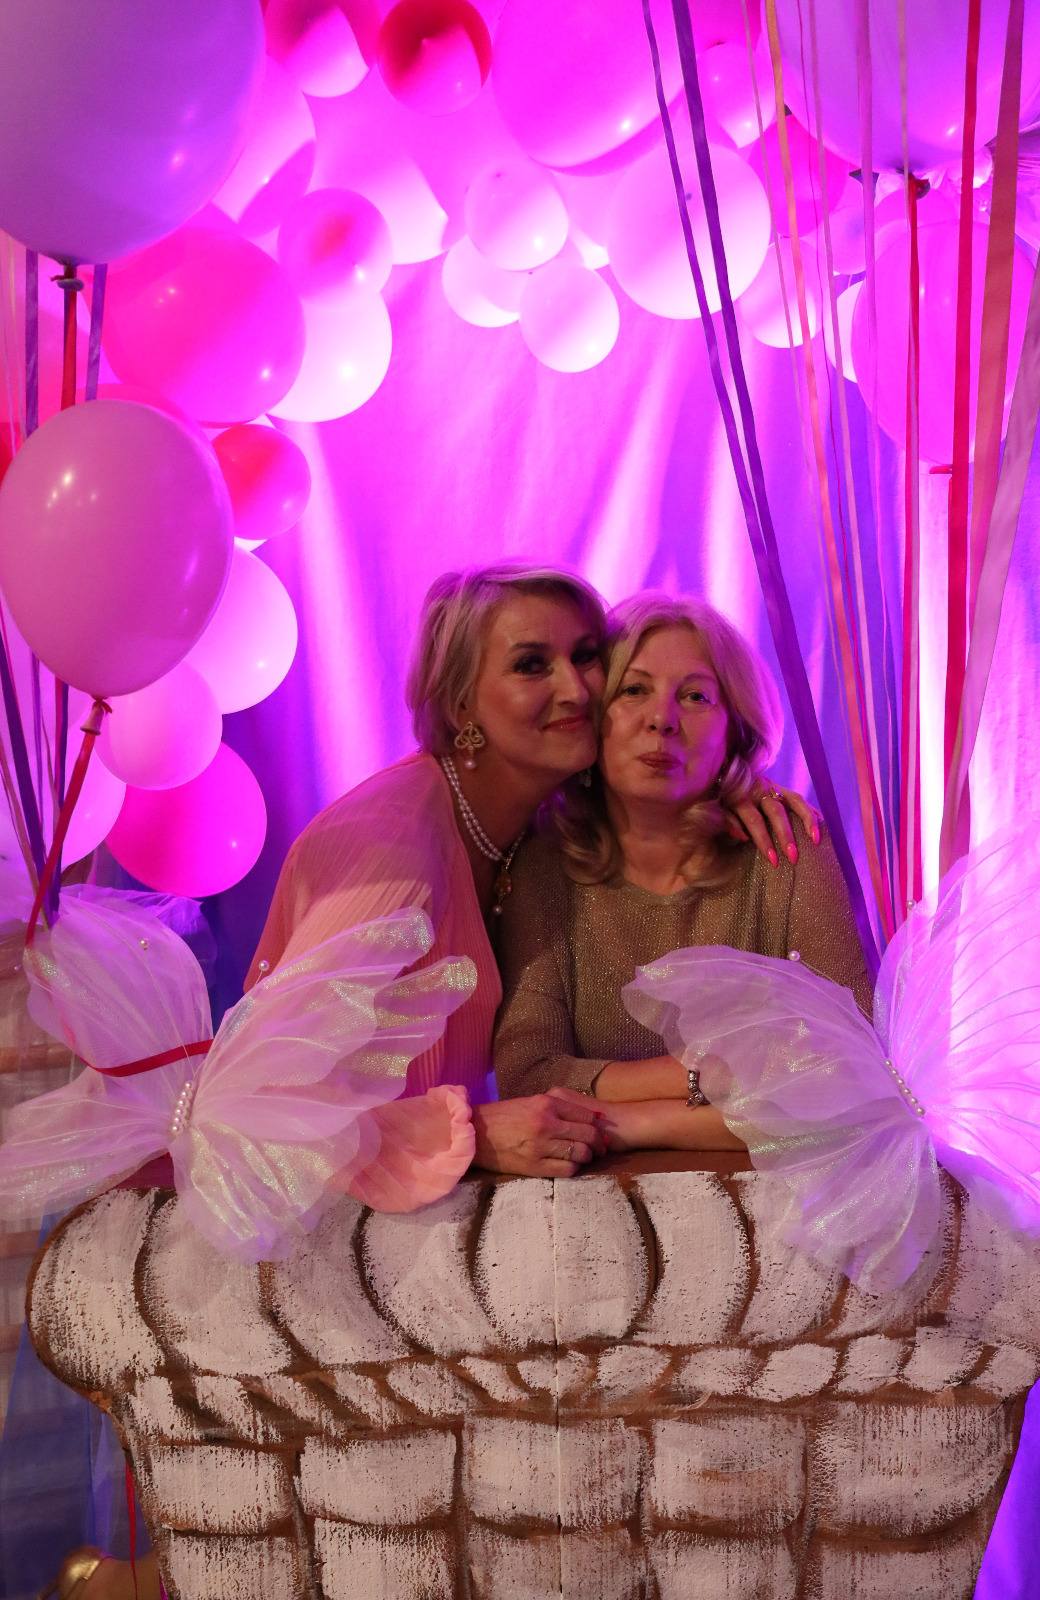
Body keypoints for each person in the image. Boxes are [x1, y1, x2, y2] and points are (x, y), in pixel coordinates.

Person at [248, 568, 815, 1201]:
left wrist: (729, 783)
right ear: (461, 704)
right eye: (530, 665)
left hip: (431, 1212)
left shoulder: (518, 833)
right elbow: (267, 1105)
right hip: (333, 1228)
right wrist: (476, 1133)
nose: (576, 690)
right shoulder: (390, 846)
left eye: (586, 657)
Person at [493, 591, 871, 1155]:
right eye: (633, 690)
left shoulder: (785, 848)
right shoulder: (543, 864)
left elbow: (849, 1071)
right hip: (584, 1194)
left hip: (766, 1194)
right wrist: (714, 1075)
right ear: (592, 718)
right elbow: (526, 1077)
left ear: (735, 730)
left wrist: (629, 1121)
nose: (662, 720)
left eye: (695, 696)